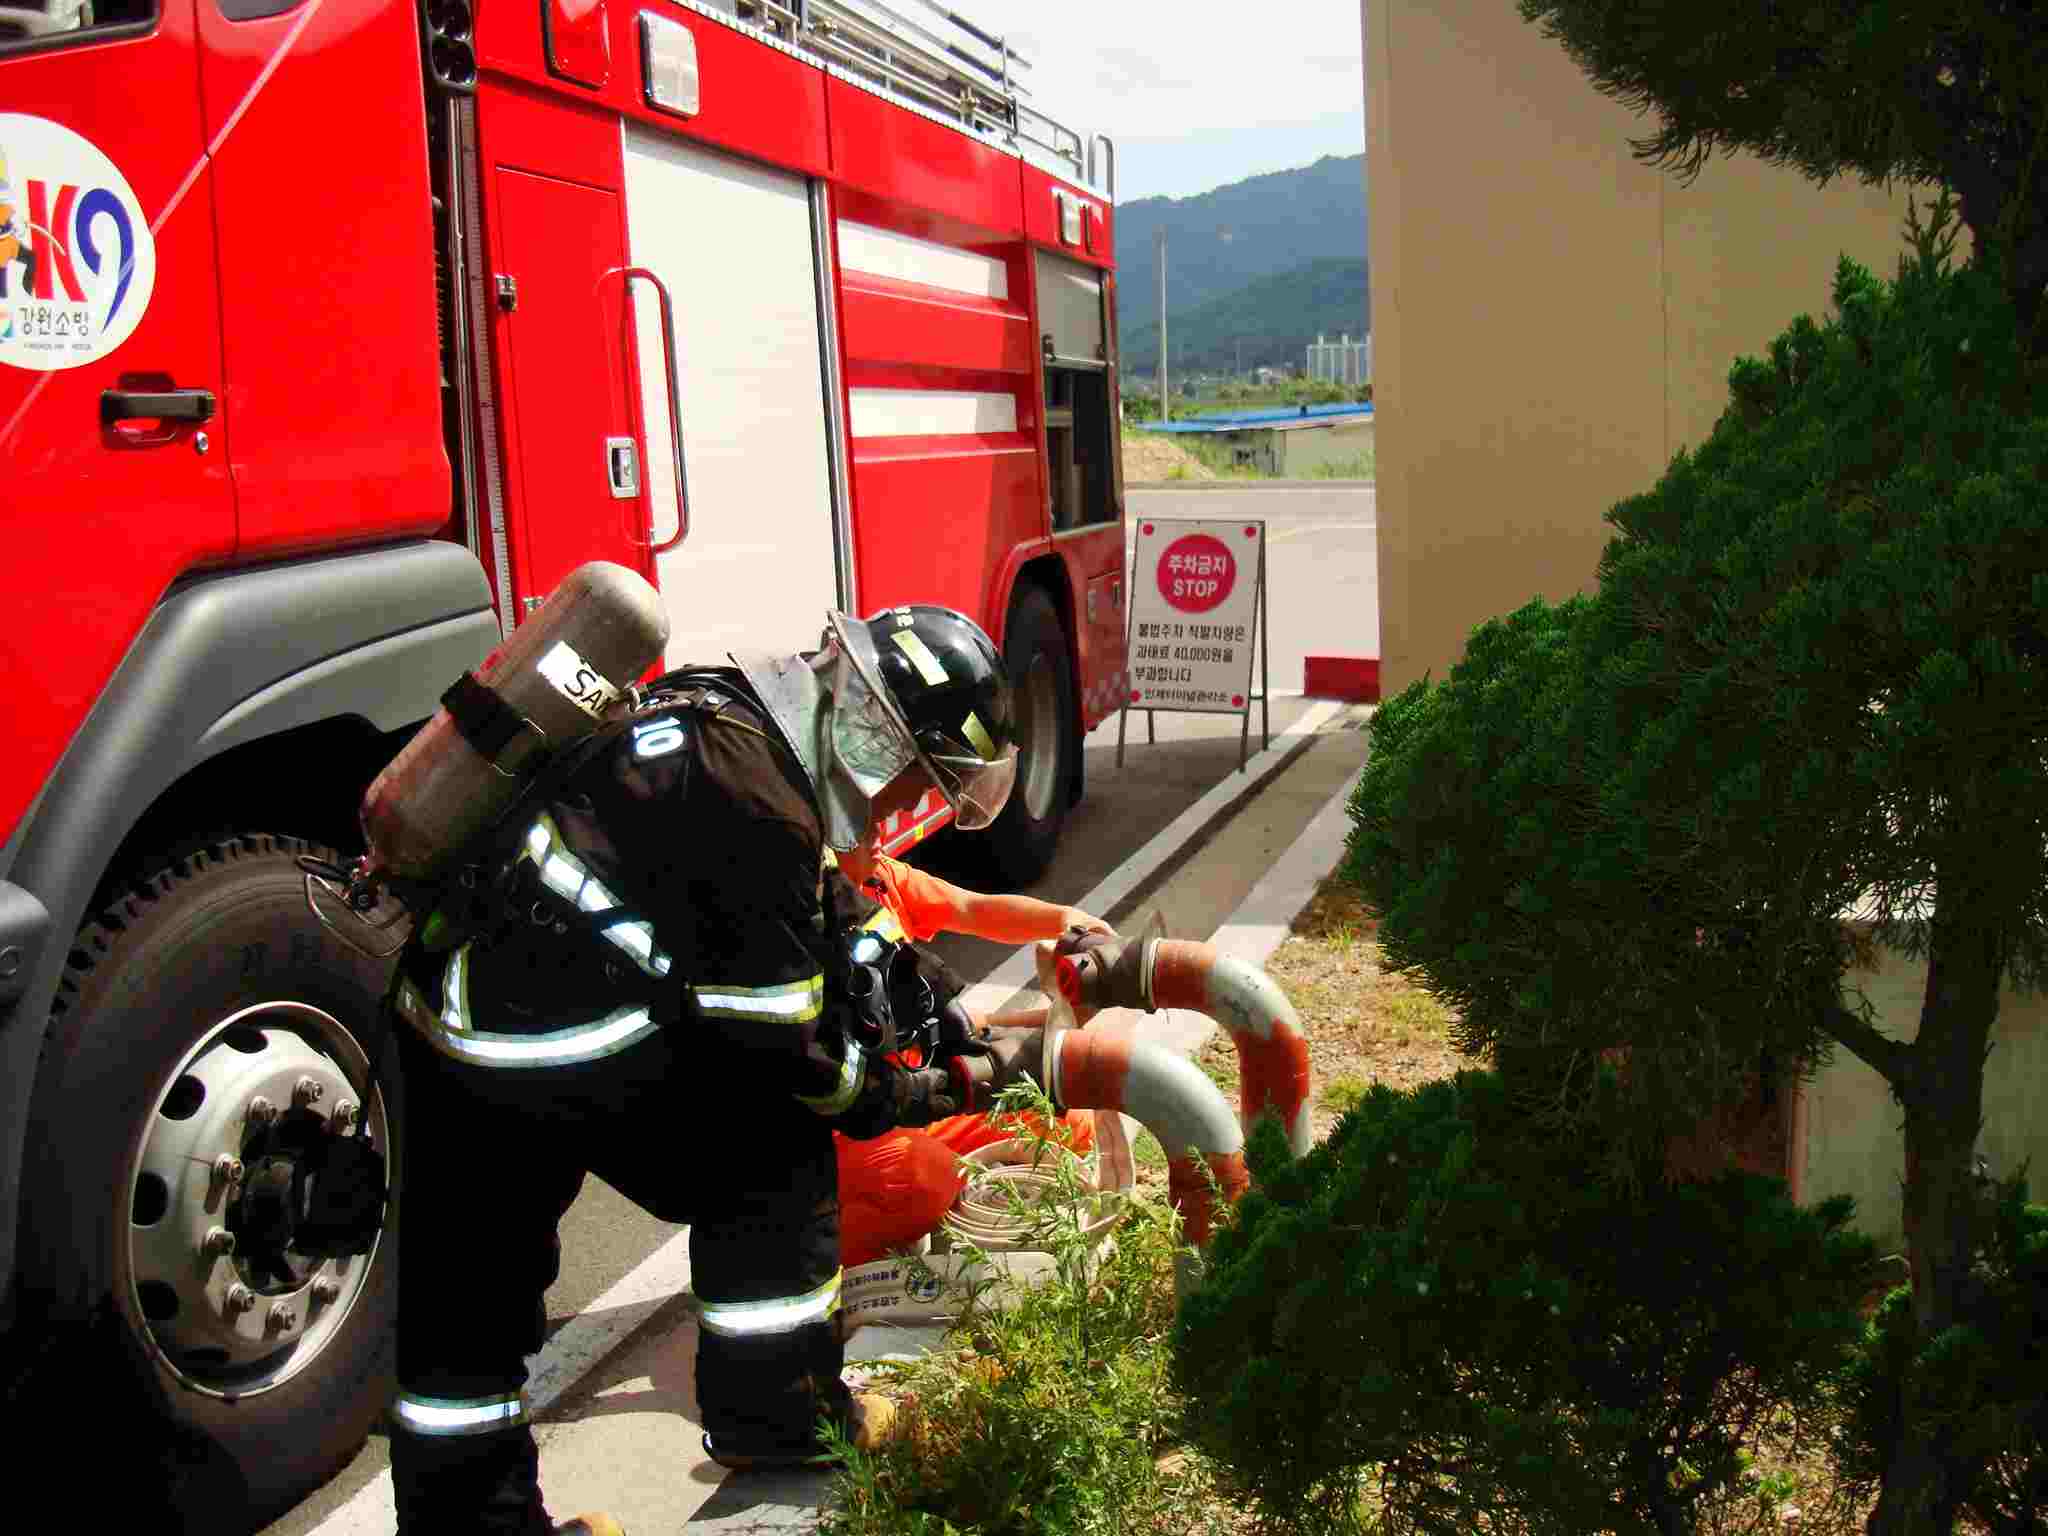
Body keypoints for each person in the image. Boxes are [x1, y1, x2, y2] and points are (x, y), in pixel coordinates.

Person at [382, 604, 1049, 1535]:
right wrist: (936, 1090)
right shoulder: (759, 800)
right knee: (775, 1145)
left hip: (449, 1018)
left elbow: (825, 908)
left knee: (464, 1318)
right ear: (881, 734)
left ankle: (472, 1528)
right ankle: (780, 1420)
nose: (903, 806)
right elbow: (803, 1063)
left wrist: (942, 1003)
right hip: (554, 1044)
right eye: (915, 780)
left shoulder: (732, 719)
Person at [825, 837, 1114, 1268]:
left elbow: (971, 908)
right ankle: (828, 1270)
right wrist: (1048, 1022)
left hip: (913, 1100)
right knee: (925, 1179)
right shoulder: (798, 919)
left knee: (1064, 1116)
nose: (879, 836)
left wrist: (1067, 922)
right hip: (840, 1133)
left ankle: (908, 1209)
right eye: (863, 825)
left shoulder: (881, 879)